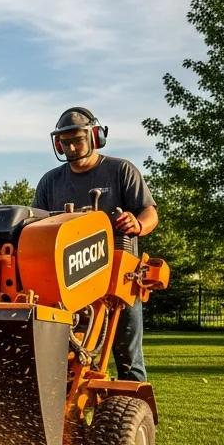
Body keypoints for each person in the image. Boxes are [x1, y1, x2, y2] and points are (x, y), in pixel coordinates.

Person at [33, 107, 159, 382]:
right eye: (65, 142)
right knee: (70, 357)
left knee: (128, 358)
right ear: (58, 144)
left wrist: (138, 225)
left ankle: (133, 406)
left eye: (77, 140)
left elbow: (149, 213)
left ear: (95, 136)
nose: (71, 147)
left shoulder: (121, 170)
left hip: (120, 278)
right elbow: (34, 226)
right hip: (68, 283)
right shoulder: (50, 182)